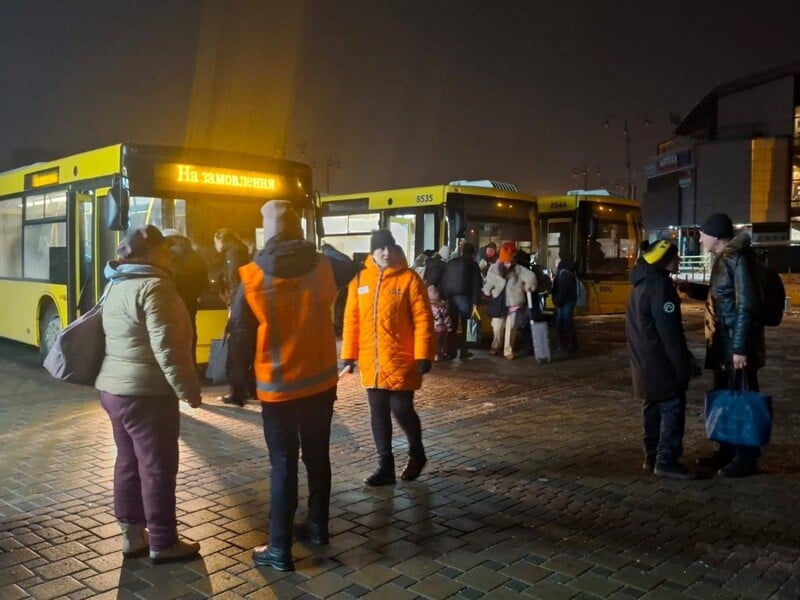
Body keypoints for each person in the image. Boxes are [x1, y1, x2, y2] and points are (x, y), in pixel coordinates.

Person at [228, 200, 339, 572]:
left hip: (277, 388)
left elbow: (241, 334)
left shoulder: (251, 276)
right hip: (321, 380)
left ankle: (279, 549)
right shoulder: (323, 266)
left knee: (283, 463)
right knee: (318, 455)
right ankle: (319, 527)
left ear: (267, 229)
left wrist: (237, 380)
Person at [94, 225, 202, 564]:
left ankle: (132, 535)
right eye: (164, 249)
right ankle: (164, 542)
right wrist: (189, 391)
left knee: (127, 462)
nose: (169, 255)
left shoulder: (116, 284)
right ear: (151, 254)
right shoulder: (156, 288)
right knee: (157, 468)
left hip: (114, 390)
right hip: (148, 395)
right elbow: (168, 349)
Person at [341, 229, 435, 486]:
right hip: (372, 361)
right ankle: (385, 465)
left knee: (402, 409)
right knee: (378, 412)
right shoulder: (359, 280)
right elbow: (352, 320)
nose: (385, 252)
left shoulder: (409, 279)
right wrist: (348, 355)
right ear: (372, 252)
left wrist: (424, 354)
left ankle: (417, 452)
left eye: (389, 247)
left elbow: (423, 319)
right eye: (380, 248)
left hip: (402, 359)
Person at [698, 212, 766, 478]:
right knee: (725, 399)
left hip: (735, 347)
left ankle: (747, 457)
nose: (700, 238)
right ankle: (726, 451)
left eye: (703, 233)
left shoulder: (739, 258)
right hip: (722, 345)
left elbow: (747, 305)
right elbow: (723, 296)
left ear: (715, 235)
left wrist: (739, 349)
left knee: (743, 400)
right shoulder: (724, 258)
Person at [626, 240, 698, 480]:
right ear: (665, 259)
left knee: (652, 407)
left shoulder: (641, 284)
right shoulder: (660, 286)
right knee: (672, 408)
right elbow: (670, 334)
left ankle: (652, 455)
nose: (678, 261)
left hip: (644, 362)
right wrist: (682, 366)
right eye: (675, 256)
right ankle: (667, 460)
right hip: (661, 363)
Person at [213, 228, 254, 406]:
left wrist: (233, 305)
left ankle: (237, 394)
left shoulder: (232, 254)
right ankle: (250, 390)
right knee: (247, 352)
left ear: (220, 240)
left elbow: (235, 282)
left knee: (236, 352)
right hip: (245, 307)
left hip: (240, 308)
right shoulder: (241, 251)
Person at [482, 241, 536, 359]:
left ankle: (508, 350)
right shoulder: (494, 268)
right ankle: (495, 345)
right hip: (498, 301)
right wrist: (488, 290)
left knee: (511, 327)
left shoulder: (518, 269)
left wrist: (529, 285)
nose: (509, 259)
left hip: (513, 301)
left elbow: (531, 276)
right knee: (497, 327)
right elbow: (489, 282)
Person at [164, 232, 209, 368]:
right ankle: (192, 367)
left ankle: (175, 369)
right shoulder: (195, 256)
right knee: (190, 334)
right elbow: (204, 281)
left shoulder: (168, 256)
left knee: (170, 337)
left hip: (171, 303)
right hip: (191, 302)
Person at [440, 241, 482, 360]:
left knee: (452, 325)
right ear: (473, 253)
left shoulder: (452, 262)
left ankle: (451, 351)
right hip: (465, 297)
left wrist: (444, 296)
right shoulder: (473, 264)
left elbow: (445, 280)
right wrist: (475, 301)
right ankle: (464, 351)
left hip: (451, 297)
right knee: (465, 326)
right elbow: (476, 284)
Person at [550, 256, 580, 354]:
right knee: (568, 323)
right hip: (568, 302)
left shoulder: (563, 275)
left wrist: (557, 302)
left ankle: (564, 346)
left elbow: (562, 291)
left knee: (562, 324)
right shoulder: (569, 273)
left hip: (563, 303)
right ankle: (571, 344)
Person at [427, 284, 452, 361]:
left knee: (435, 343)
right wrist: (449, 327)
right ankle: (442, 354)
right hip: (442, 329)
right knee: (443, 343)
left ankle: (435, 355)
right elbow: (446, 318)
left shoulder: (427, 307)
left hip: (433, 329)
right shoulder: (442, 306)